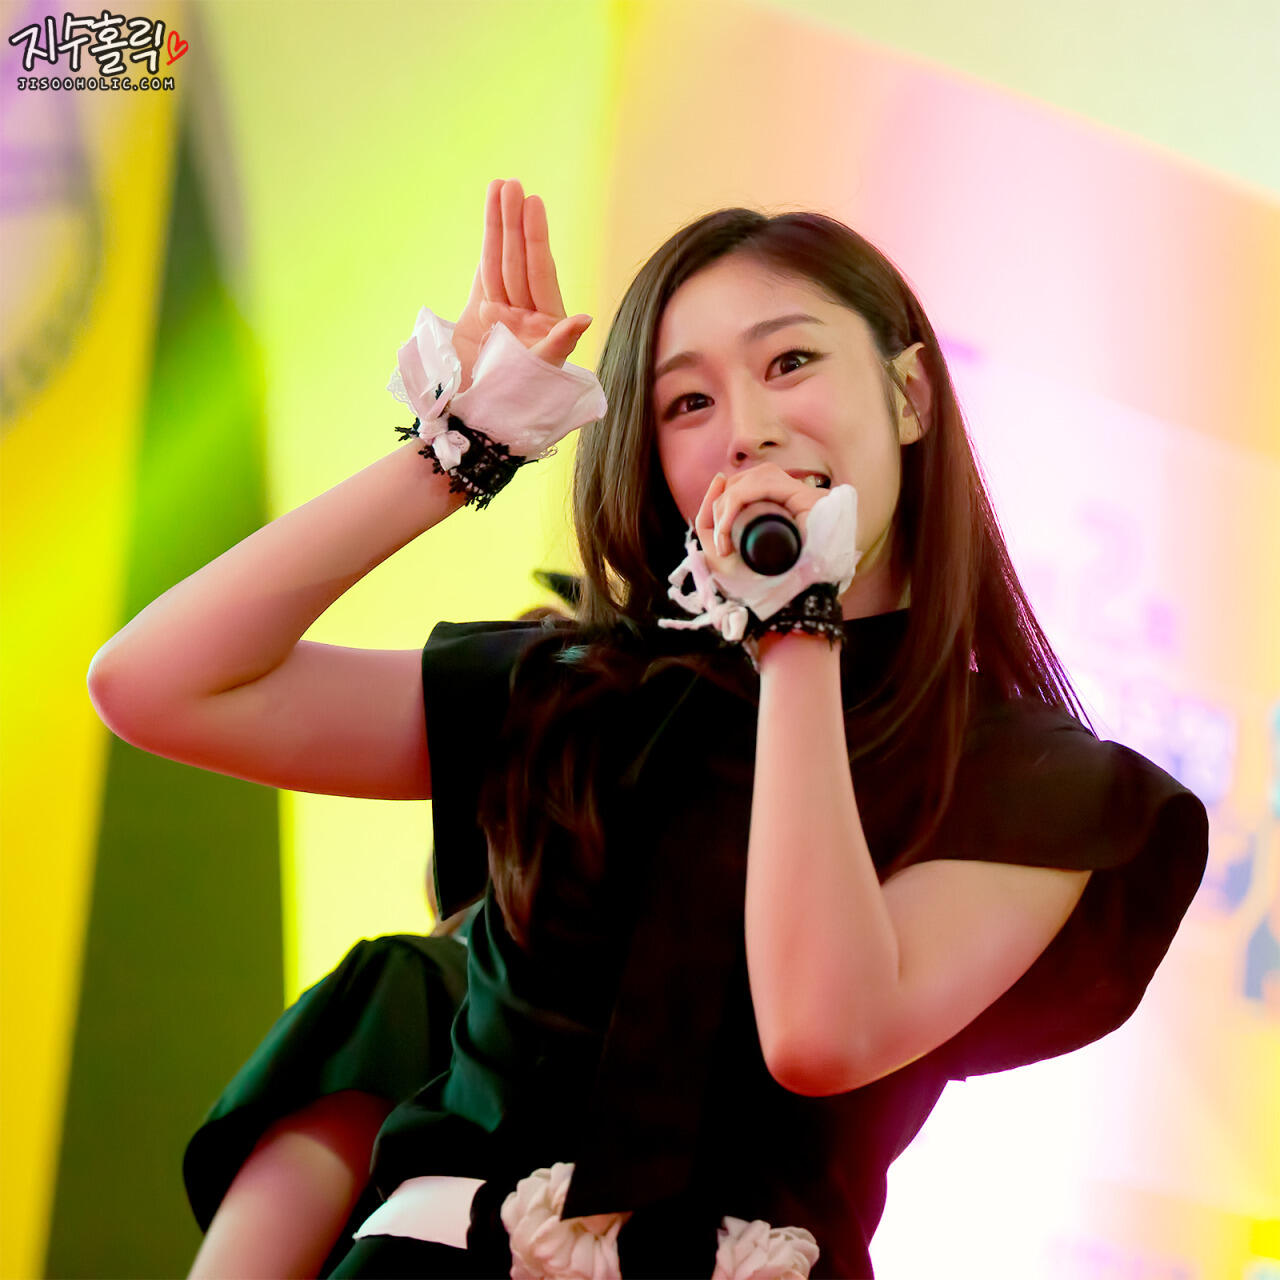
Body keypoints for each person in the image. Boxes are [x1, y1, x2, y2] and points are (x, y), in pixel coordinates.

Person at [88, 178, 1208, 1279]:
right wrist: (456, 449)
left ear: (909, 393)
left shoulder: (1036, 785)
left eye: (790, 362)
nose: (748, 430)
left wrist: (797, 630)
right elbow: (160, 685)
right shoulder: (579, 691)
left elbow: (818, 1034)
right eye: (687, 404)